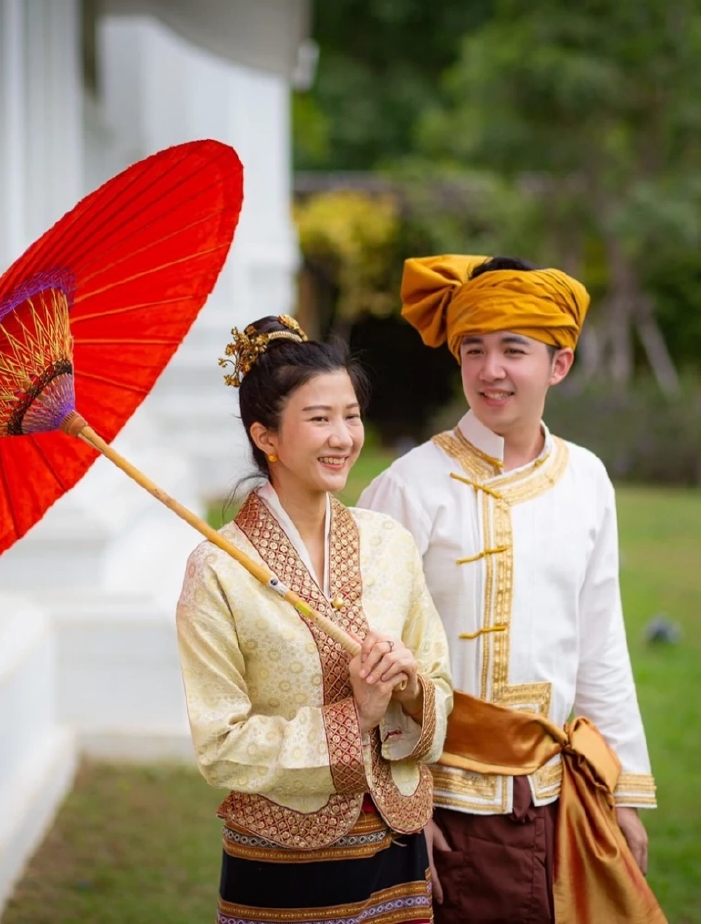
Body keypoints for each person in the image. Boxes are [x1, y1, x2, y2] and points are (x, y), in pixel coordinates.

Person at [359, 256, 665, 923]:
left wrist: (624, 793)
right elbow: (359, 665)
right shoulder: (406, 488)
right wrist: (404, 813)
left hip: (560, 805)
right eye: (474, 349)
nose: (491, 369)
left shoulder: (586, 479)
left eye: (513, 349)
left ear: (559, 363)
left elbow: (601, 642)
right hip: (443, 816)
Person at [176, 314, 454, 924]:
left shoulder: (389, 544)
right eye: (319, 418)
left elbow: (436, 681)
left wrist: (408, 689)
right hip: (283, 866)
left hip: (396, 848)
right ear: (267, 437)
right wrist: (355, 716)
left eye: (350, 415)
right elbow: (220, 746)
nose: (344, 436)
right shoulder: (218, 570)